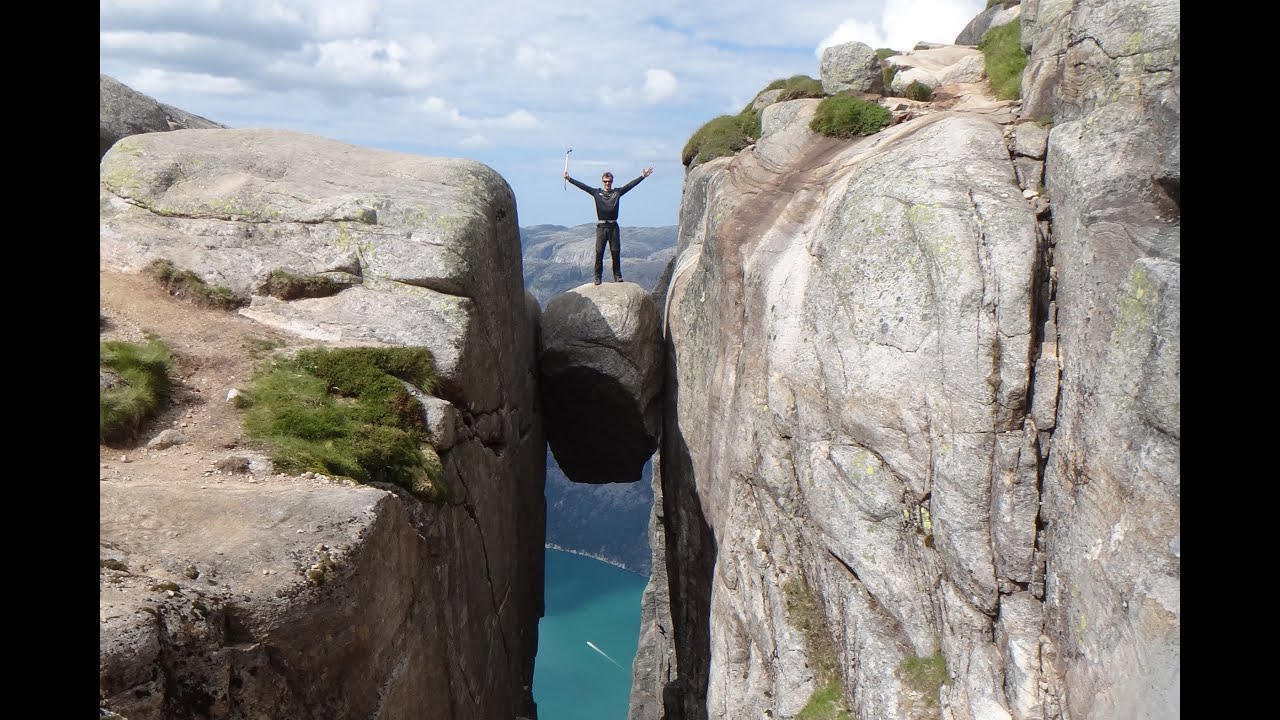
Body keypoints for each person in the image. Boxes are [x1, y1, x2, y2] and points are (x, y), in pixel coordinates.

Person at [565, 166, 653, 285]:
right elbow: (583, 186)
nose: (607, 183)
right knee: (599, 252)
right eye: (605, 181)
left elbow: (629, 186)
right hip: (602, 227)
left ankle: (617, 276)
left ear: (612, 181)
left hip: (613, 227)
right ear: (602, 181)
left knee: (615, 251)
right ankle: (597, 277)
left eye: (609, 181)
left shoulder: (617, 192)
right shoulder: (596, 193)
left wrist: (642, 176)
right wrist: (569, 179)